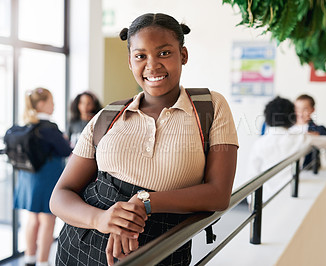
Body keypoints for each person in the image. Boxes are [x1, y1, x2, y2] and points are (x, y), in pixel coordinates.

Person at [50, 13, 238, 266]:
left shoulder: (210, 107)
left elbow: (219, 193)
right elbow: (60, 195)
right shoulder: (108, 116)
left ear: (183, 55)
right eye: (140, 56)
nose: (152, 65)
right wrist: (101, 219)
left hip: (161, 246)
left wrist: (144, 202)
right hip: (82, 245)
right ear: (130, 61)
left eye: (164, 53)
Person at [14, 87, 72, 266]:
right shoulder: (50, 128)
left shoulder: (26, 125)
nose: (53, 105)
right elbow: (66, 150)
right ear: (41, 104)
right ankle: (43, 261)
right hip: (47, 177)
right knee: (48, 219)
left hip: (28, 178)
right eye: (51, 101)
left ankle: (29, 258)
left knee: (32, 218)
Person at [247, 96, 326, 202]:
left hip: (263, 198)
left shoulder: (259, 143)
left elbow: (252, 175)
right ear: (292, 116)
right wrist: (313, 136)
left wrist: (251, 202)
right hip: (289, 195)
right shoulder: (301, 138)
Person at [291, 94, 326, 169]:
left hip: (307, 171)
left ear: (312, 110)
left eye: (305, 109)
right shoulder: (286, 128)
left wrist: (318, 139)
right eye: (297, 108)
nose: (300, 113)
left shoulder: (319, 130)